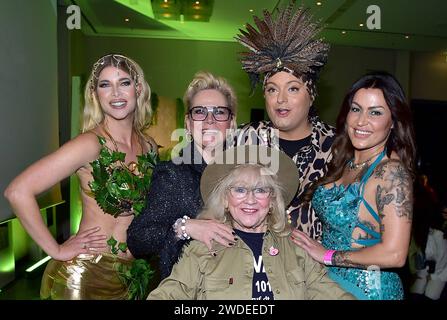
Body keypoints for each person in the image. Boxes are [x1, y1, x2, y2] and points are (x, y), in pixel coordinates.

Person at [4, 54, 158, 299]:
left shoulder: (149, 146)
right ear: (96, 95)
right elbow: (17, 191)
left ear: (138, 89)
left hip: (132, 277)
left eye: (124, 82)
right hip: (84, 275)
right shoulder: (91, 143)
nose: (115, 93)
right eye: (105, 85)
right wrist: (56, 249)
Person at [148, 145, 354, 300]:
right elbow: (170, 293)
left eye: (261, 190)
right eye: (239, 189)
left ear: (272, 201)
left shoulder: (295, 246)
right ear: (225, 200)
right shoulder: (203, 247)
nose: (250, 199)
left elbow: (330, 292)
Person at [290, 72, 416, 300]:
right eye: (356, 109)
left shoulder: (391, 172)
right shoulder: (345, 160)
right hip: (327, 285)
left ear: (393, 122)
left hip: (367, 291)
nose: (361, 121)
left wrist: (328, 255)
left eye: (375, 112)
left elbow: (395, 254)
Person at [234, 2, 335, 240]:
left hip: (313, 269)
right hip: (253, 264)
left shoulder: (336, 146)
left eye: (292, 89)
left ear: (311, 95)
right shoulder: (245, 139)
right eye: (271, 89)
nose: (280, 99)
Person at [127, 71, 237, 279]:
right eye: (199, 112)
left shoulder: (243, 173)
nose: (210, 120)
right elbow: (138, 239)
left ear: (231, 123)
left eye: (220, 112)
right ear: (188, 124)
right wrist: (186, 227)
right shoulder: (173, 173)